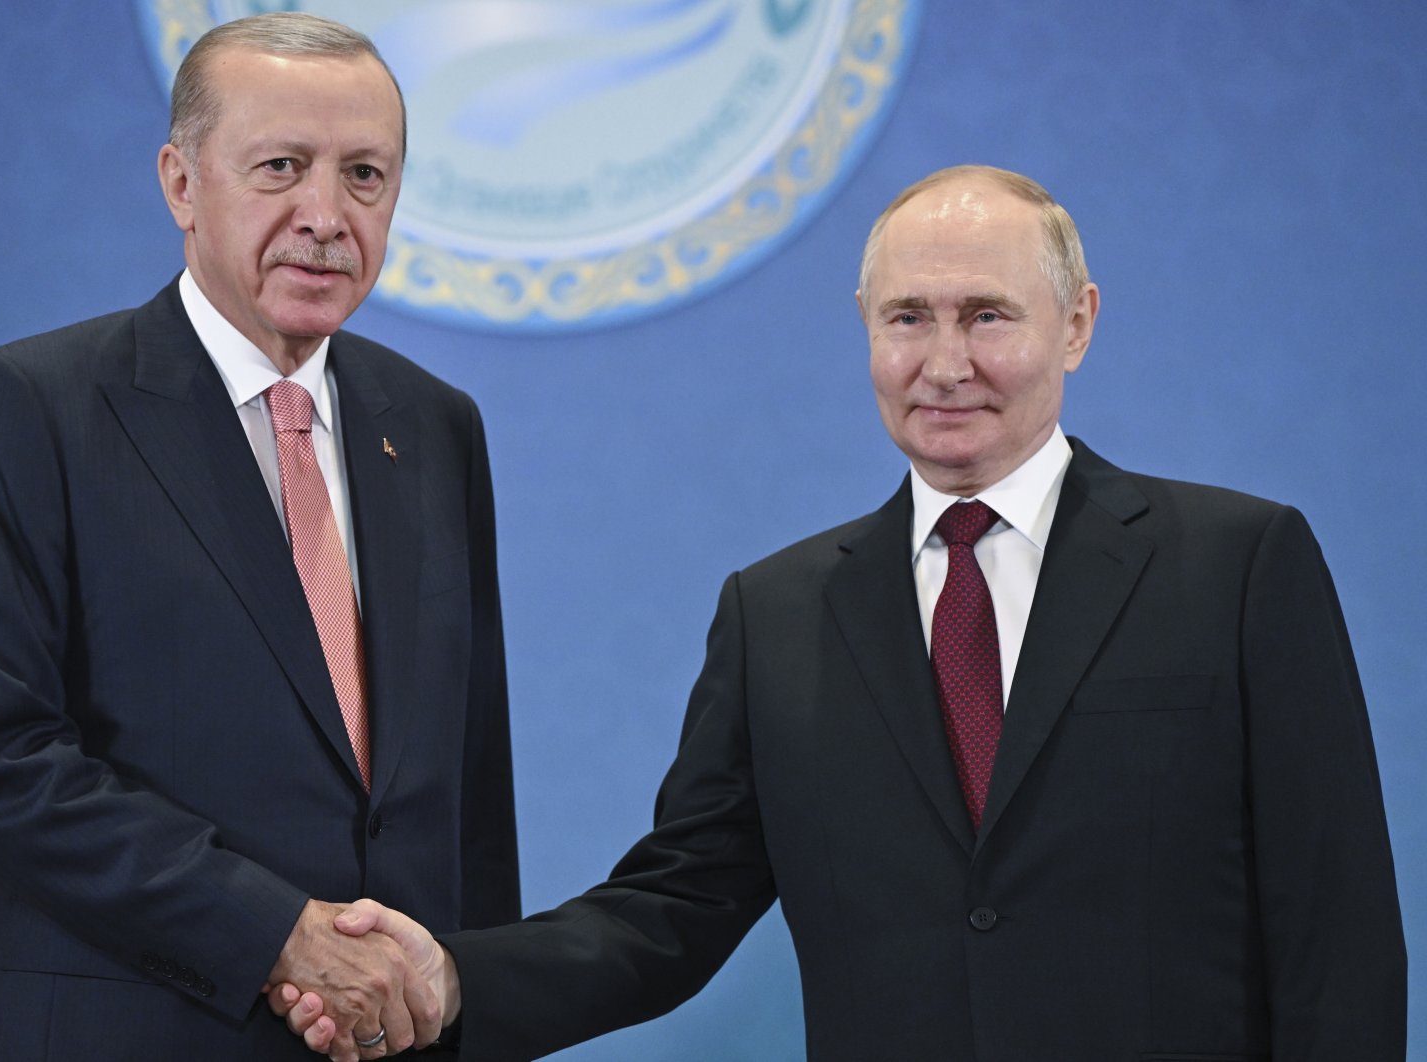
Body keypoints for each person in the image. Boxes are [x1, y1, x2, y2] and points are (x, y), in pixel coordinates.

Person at [277, 165, 1406, 1061]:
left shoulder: (1236, 563)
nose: (944, 363)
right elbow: (672, 908)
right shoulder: (778, 615)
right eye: (908, 317)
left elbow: (1336, 934)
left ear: (1076, 324)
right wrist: (451, 979)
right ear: (865, 326)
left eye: (988, 316)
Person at [0, 13, 517, 1061]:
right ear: (181, 184)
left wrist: (479, 1011)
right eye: (281, 167)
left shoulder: (432, 425)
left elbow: (469, 790)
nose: (326, 215)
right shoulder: (26, 408)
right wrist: (276, 935)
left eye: (365, 176)